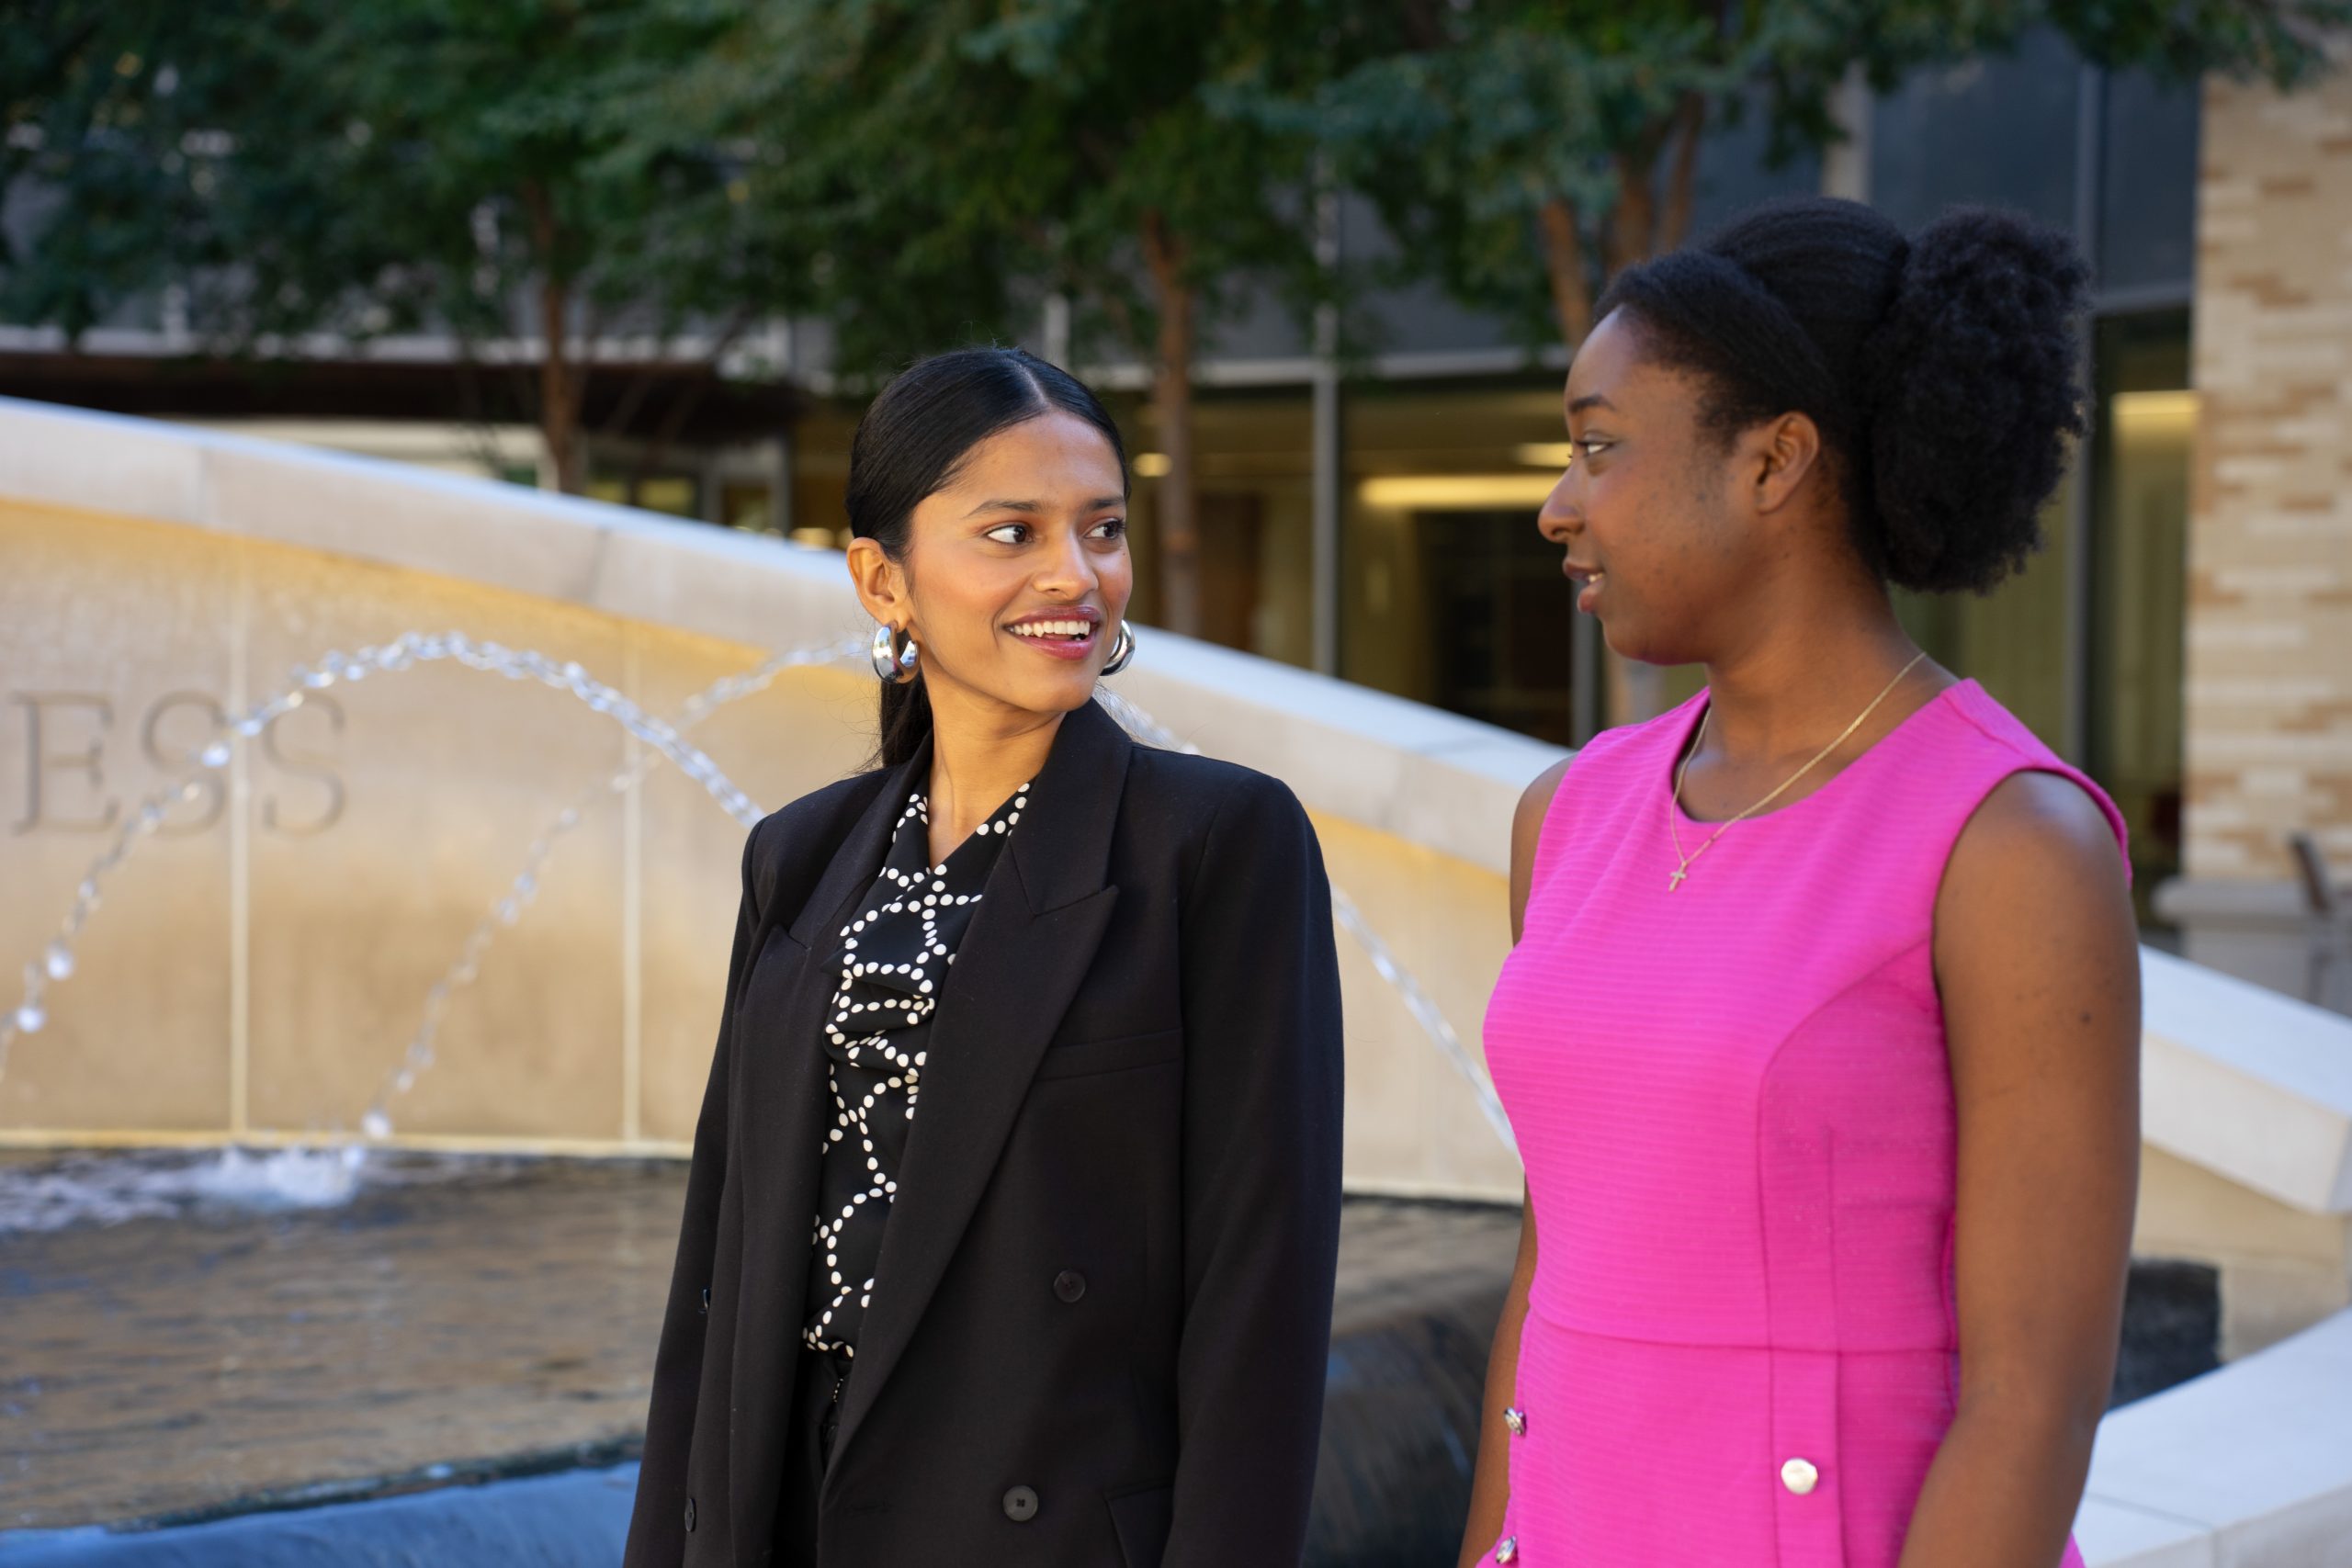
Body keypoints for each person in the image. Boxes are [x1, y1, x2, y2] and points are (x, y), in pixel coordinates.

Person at [1461, 197, 2141, 1567]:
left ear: (1775, 461)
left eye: (1599, 449)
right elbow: (1549, 1283)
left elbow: (2033, 1403)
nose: (1558, 505)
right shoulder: (1570, 813)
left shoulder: (2010, 844)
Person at [623, 347, 1345, 1568]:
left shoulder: (1217, 843)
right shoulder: (800, 859)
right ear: (882, 578)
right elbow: (719, 1277)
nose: (1075, 575)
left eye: (1101, 529)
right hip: (790, 1515)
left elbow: (1258, 1304)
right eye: (1012, 532)